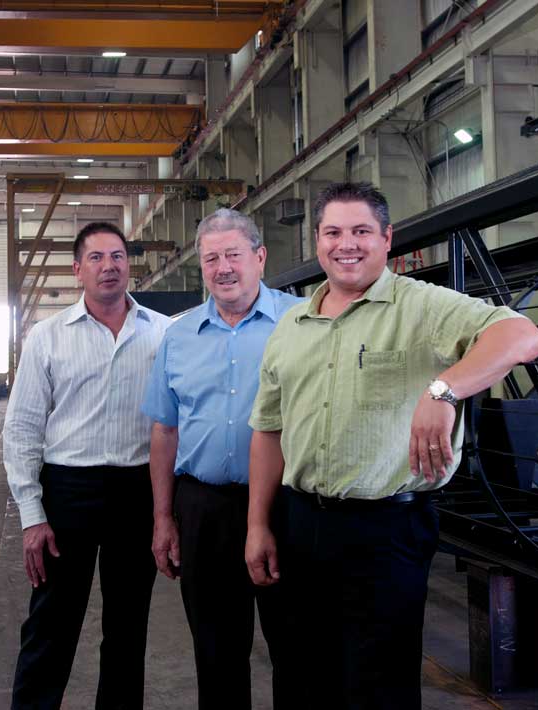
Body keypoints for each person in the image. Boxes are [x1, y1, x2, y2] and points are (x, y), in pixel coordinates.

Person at [244, 182, 538, 710]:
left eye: (362, 231)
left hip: (385, 529)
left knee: (379, 682)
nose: (347, 244)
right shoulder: (290, 325)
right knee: (299, 673)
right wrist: (257, 526)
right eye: (333, 232)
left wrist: (444, 388)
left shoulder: (423, 306)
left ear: (387, 239)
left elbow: (524, 336)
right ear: (316, 241)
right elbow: (268, 430)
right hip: (299, 523)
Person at [3, 221, 172, 710]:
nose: (108, 266)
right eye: (96, 258)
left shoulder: (162, 334)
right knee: (51, 622)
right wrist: (32, 516)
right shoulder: (47, 337)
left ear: (129, 267)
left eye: (117, 256)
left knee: (127, 626)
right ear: (78, 270)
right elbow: (22, 429)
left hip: (136, 492)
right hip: (67, 492)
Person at [142, 209, 301, 709]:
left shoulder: (303, 322)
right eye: (211, 259)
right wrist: (163, 518)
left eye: (234, 255)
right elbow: (165, 431)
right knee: (215, 652)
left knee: (298, 650)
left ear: (259, 257)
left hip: (288, 506)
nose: (223, 268)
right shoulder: (179, 335)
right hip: (203, 509)